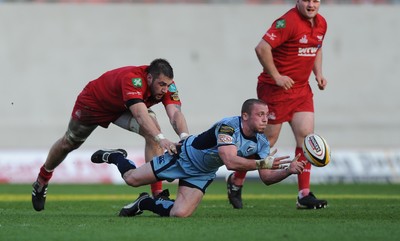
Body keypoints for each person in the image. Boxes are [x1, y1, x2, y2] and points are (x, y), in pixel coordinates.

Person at [91, 98, 306, 218]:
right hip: (184, 156)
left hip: (203, 173)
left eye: (267, 115)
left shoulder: (261, 142)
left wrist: (288, 170)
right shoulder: (228, 126)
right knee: (130, 178)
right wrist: (261, 163)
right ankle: (116, 156)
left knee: (180, 214)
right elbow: (230, 161)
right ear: (245, 116)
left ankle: (145, 202)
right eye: (260, 114)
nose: (265, 119)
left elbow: (266, 177)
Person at [32, 58, 189, 211]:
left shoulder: (168, 86)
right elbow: (140, 115)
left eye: (167, 85)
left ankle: (157, 194)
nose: (165, 90)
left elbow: (175, 114)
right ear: (149, 77)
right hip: (94, 104)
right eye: (161, 84)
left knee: (153, 130)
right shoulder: (133, 79)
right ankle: (42, 178)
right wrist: (161, 139)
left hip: (122, 108)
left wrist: (185, 138)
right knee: (69, 143)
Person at [227, 0, 328, 209]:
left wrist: (318, 73)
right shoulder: (288, 21)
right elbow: (262, 48)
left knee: (306, 137)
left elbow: (316, 48)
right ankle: (237, 180)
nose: (311, 4)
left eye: (316, 0)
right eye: (307, 0)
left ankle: (304, 194)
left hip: (301, 90)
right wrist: (277, 76)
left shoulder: (321, 24)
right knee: (267, 141)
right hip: (275, 91)